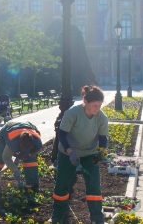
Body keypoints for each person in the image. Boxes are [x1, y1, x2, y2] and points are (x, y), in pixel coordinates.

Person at [51, 85, 109, 224]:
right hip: (68, 152)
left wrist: (100, 154)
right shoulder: (73, 113)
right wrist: (70, 152)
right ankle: (58, 216)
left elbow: (103, 139)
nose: (97, 108)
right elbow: (62, 134)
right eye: (95, 105)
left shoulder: (101, 117)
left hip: (90, 153)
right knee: (62, 184)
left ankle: (97, 218)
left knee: (94, 185)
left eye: (100, 105)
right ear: (86, 102)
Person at [0, 121, 42, 191]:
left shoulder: (37, 143)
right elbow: (6, 157)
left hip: (28, 127)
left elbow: (32, 153)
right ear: (19, 145)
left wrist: (21, 157)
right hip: (6, 132)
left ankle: (32, 185)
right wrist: (15, 170)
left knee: (30, 160)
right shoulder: (13, 141)